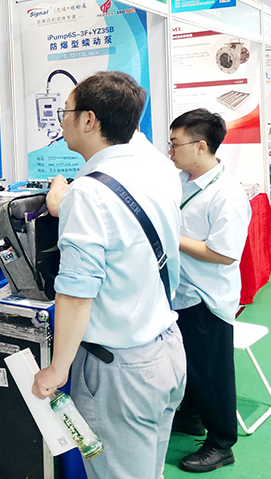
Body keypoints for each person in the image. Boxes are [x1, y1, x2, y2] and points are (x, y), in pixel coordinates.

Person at [32, 72, 186, 479]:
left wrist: (57, 369)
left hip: (120, 370)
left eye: (66, 111)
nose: (61, 121)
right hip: (166, 347)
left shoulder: (88, 192)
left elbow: (76, 294)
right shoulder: (157, 169)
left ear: (89, 120)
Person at [168, 109, 251, 473]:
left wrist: (172, 238)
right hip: (181, 292)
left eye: (175, 143)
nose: (171, 151)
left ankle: (221, 443)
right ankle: (190, 417)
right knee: (189, 365)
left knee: (212, 373)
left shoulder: (226, 195)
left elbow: (223, 253)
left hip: (206, 297)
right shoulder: (181, 181)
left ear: (201, 146)